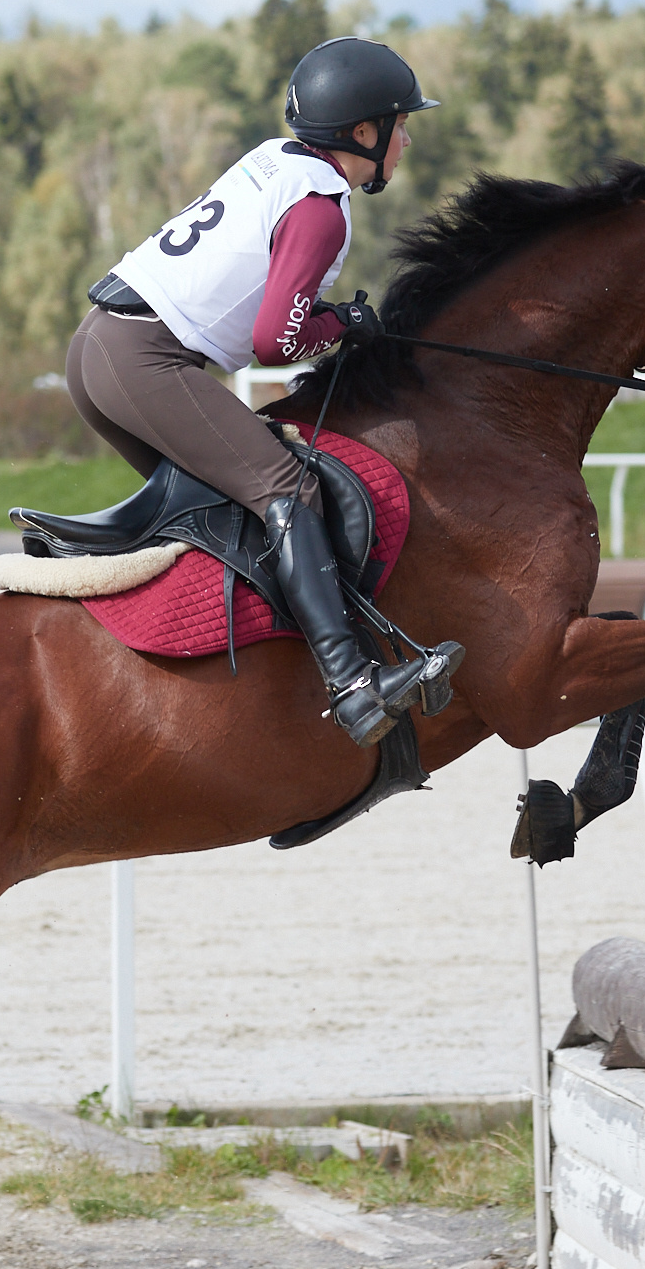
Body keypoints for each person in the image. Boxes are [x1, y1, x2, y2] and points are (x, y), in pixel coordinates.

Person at [65, 36, 459, 749]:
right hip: (143, 359)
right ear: (362, 133)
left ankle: (253, 673)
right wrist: (344, 324)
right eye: (400, 125)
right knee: (287, 488)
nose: (405, 140)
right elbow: (278, 340)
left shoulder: (275, 160)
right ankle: (351, 684)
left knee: (231, 507)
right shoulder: (321, 205)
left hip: (97, 347)